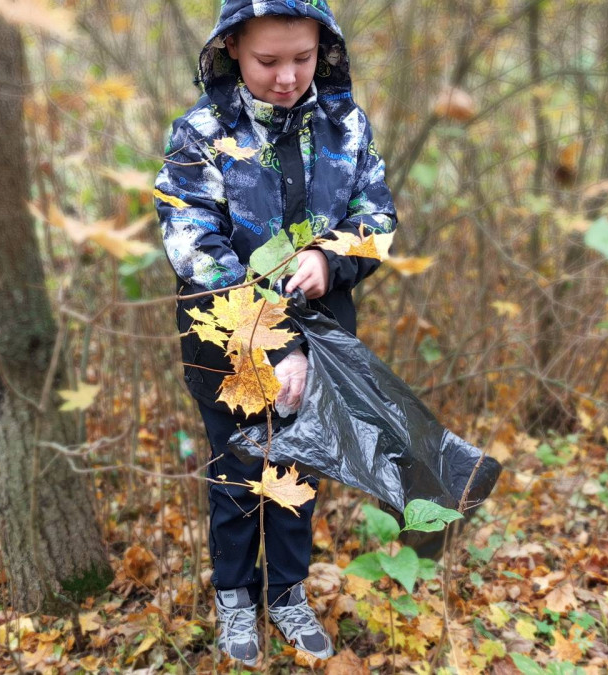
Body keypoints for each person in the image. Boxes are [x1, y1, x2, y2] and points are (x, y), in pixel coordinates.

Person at [153, 0, 396, 665]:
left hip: (321, 346)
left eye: (302, 58)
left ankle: (286, 593)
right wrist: (269, 340)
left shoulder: (345, 126)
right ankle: (235, 597)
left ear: (325, 47)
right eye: (268, 60)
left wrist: (333, 256)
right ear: (231, 46)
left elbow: (377, 217)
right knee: (239, 472)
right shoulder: (200, 134)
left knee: (297, 472)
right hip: (225, 345)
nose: (287, 76)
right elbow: (192, 242)